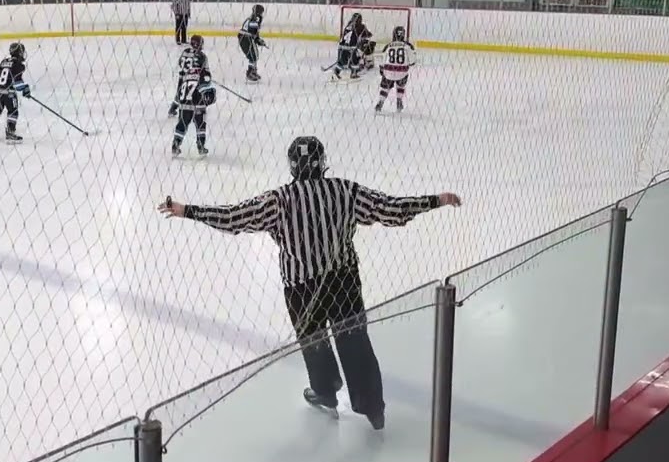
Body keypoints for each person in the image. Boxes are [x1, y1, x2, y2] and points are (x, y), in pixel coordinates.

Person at [158, 136, 461, 429]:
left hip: (302, 287)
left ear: (292, 166)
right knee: (355, 340)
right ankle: (373, 408)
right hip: (343, 281)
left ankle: (326, 391)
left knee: (314, 342)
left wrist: (188, 211)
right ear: (323, 162)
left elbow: (235, 217)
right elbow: (390, 209)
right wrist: (435, 201)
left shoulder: (278, 200)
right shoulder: (345, 190)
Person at [170, 35, 216, 156]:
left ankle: (176, 144)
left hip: (185, 83)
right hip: (197, 90)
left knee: (183, 121)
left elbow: (181, 64)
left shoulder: (185, 52)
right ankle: (201, 145)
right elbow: (206, 75)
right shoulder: (202, 56)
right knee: (200, 121)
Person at [0, 42, 31, 142]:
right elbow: (17, 82)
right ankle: (10, 133)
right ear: (20, 53)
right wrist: (25, 89)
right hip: (9, 93)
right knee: (13, 111)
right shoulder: (19, 65)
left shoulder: (4, 61)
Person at [376, 26, 416, 113]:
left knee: (385, 88)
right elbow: (412, 62)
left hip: (388, 71)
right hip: (402, 72)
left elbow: (382, 60)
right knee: (401, 85)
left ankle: (380, 102)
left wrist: (382, 70)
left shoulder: (388, 46)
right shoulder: (408, 46)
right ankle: (399, 101)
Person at [238, 4, 266, 82]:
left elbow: (254, 32)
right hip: (246, 38)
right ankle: (250, 73)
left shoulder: (253, 18)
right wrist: (258, 40)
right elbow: (253, 31)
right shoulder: (255, 19)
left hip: (245, 37)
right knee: (253, 55)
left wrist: (257, 39)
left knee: (254, 55)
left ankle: (253, 71)